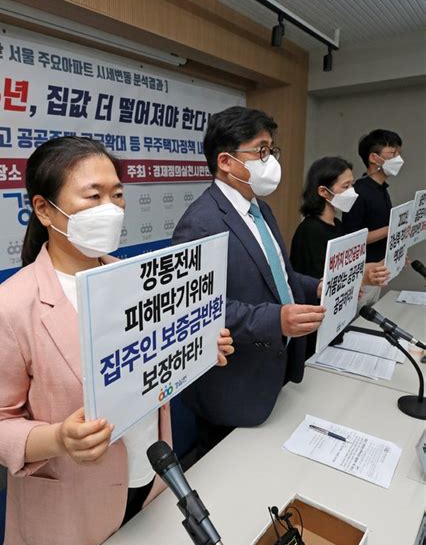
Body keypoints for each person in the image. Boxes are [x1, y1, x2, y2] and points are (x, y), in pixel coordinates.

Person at [0, 136, 234, 545]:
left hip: (150, 476)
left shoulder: (133, 278)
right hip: (75, 505)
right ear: (45, 210)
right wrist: (57, 439)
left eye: (117, 195)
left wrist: (197, 344)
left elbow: (150, 370)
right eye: (93, 197)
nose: (110, 208)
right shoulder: (6, 307)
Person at [172, 106, 325, 453]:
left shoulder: (260, 208)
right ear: (226, 161)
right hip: (233, 388)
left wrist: (313, 285)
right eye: (261, 151)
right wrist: (277, 320)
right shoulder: (200, 223)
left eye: (271, 150)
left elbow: (278, 275)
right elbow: (198, 310)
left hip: (276, 369)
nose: (270, 160)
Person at [290, 156, 390, 357]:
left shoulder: (338, 225)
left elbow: (347, 268)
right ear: (323, 191)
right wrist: (361, 278)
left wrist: (374, 267)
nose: (352, 192)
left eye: (352, 185)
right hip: (313, 329)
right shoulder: (309, 230)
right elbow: (319, 283)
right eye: (346, 186)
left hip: (335, 322)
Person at [342, 129, 403, 303]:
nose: (398, 159)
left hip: (379, 270)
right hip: (362, 274)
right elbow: (352, 238)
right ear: (374, 158)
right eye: (392, 153)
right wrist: (391, 229)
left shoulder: (382, 190)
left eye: (399, 153)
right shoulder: (359, 192)